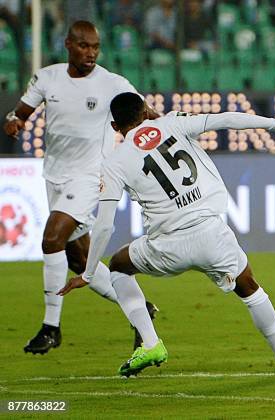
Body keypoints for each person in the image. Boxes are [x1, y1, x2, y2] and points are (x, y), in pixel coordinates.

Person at [58, 92, 275, 377]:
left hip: (166, 246)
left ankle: (151, 342)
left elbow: (103, 225)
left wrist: (89, 274)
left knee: (118, 266)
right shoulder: (173, 122)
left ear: (115, 128)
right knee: (248, 287)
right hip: (211, 235)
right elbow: (227, 119)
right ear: (145, 111)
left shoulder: (114, 164)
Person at [2, 21, 159, 355]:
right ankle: (141, 309)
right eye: (84, 46)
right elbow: (23, 111)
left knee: (51, 239)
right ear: (68, 45)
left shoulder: (112, 83)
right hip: (55, 175)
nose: (91, 53)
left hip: (90, 176)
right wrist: (14, 120)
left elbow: (148, 113)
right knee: (79, 260)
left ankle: (51, 327)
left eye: (95, 48)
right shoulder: (47, 77)